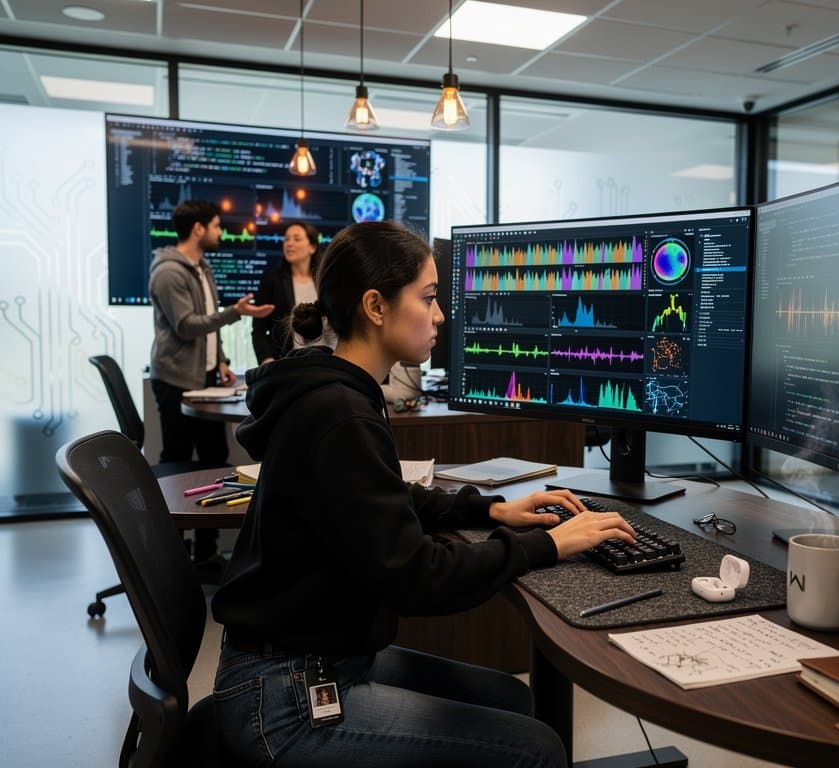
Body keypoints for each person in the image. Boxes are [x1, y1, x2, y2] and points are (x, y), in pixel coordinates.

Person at [211, 221, 636, 767]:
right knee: (538, 749)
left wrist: (491, 508)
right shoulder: (338, 413)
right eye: (429, 298)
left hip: (312, 658)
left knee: (513, 698)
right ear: (376, 306)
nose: (439, 315)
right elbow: (415, 576)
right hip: (285, 699)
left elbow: (385, 499)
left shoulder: (335, 392)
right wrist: (546, 546)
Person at [149, 199, 273, 561]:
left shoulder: (202, 267)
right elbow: (187, 326)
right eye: (218, 225)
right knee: (177, 459)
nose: (223, 232)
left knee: (215, 459)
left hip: (203, 379)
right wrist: (235, 313)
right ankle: (172, 553)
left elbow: (206, 324)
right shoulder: (169, 273)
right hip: (175, 380)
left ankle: (206, 553)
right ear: (199, 228)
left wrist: (219, 360)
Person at [251, 221, 324, 363]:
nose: (289, 244)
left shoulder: (325, 279)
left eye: (296, 239)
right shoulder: (272, 279)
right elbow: (258, 330)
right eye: (286, 239)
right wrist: (267, 360)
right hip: (286, 363)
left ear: (312, 247)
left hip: (323, 361)